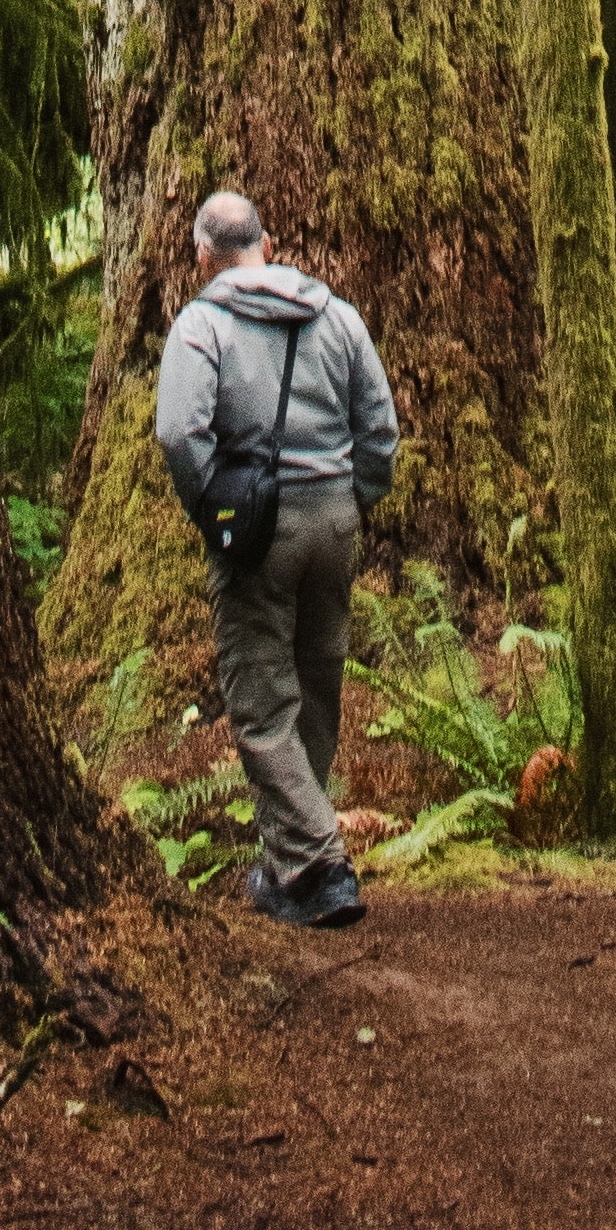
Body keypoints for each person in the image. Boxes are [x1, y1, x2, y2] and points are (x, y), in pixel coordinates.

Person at [153, 189, 399, 926]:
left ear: (203, 255)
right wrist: (358, 498)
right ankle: (290, 869)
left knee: (260, 700)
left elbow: (178, 433)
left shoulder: (201, 327)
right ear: (266, 241)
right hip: (336, 520)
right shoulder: (337, 315)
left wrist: (216, 512)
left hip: (259, 529)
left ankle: (321, 865)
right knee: (316, 683)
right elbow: (379, 425)